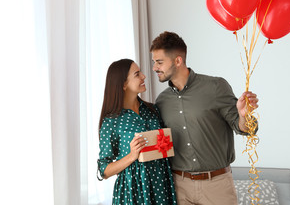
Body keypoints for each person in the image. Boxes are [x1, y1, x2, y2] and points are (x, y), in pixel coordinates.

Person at [150, 31, 259, 205]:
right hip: (179, 186)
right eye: (154, 62)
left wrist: (243, 115)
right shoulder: (161, 101)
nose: (155, 67)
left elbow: (244, 129)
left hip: (217, 185)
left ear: (178, 61)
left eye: (159, 62)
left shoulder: (216, 87)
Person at [97, 58, 177, 205]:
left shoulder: (153, 111)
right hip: (133, 192)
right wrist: (132, 155)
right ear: (124, 84)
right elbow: (104, 170)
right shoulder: (112, 121)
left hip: (161, 185)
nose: (143, 76)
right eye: (137, 74)